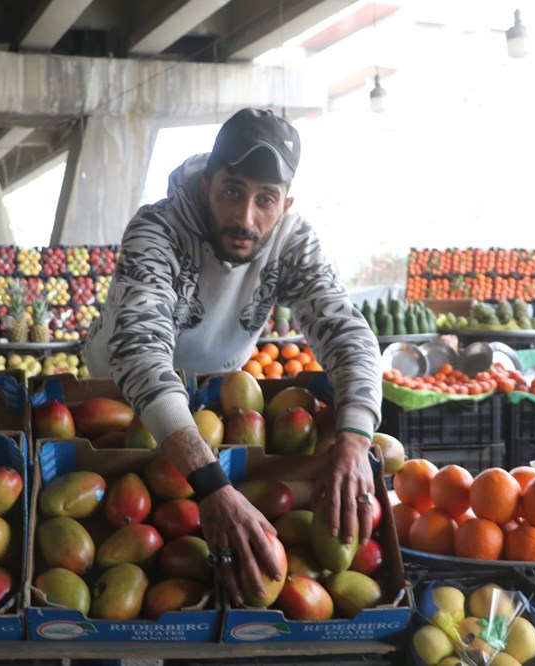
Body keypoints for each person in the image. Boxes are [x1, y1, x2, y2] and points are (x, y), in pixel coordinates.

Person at [84, 108, 382, 604]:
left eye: (265, 199)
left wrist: (353, 438)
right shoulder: (158, 230)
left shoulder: (291, 240)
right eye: (232, 191)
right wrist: (211, 485)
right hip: (120, 407)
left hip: (216, 404)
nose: (246, 217)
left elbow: (346, 331)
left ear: (285, 204)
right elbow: (141, 354)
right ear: (206, 184)